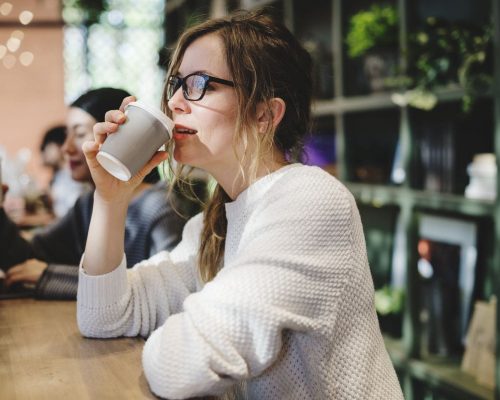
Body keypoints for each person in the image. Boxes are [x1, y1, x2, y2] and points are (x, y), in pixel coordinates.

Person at [77, 10, 404, 400]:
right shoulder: (210, 226)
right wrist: (111, 197)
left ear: (265, 114)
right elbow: (104, 316)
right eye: (176, 83)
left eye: (200, 84)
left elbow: (180, 367)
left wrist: (182, 329)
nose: (176, 101)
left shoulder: (311, 202)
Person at [0, 87, 199, 299]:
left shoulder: (160, 207)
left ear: (114, 135)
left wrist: (51, 277)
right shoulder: (87, 204)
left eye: (79, 134)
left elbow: (163, 291)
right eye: (66, 135)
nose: (66, 148)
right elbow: (28, 259)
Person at [40, 125, 89, 218]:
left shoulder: (75, 174)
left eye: (46, 147)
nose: (43, 153)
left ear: (58, 146)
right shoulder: (57, 175)